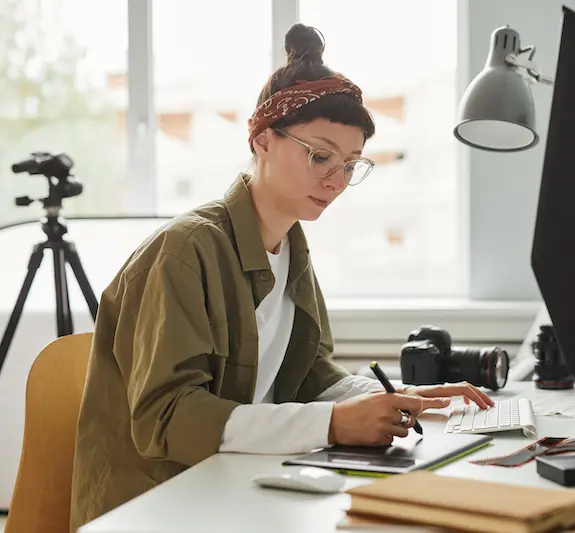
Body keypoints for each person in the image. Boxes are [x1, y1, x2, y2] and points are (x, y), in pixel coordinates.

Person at [69, 23, 493, 533]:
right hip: (158, 506)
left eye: (351, 164)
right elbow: (171, 418)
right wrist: (336, 423)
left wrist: (397, 397)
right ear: (262, 140)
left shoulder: (291, 248)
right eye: (320, 156)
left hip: (235, 486)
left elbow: (311, 376)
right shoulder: (184, 251)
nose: (336, 180)